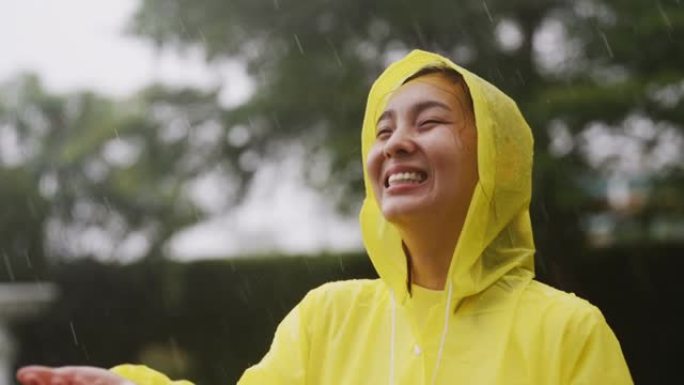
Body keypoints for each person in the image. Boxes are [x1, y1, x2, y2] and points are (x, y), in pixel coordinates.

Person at [16, 49, 633, 385]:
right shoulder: (329, 318)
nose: (394, 143)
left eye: (430, 122)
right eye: (383, 129)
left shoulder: (568, 332)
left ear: (496, 161)